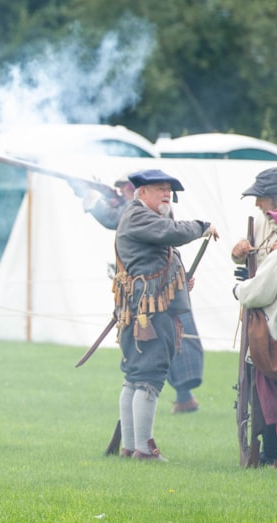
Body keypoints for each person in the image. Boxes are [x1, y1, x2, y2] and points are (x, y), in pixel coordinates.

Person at [77, 175, 204, 415]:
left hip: (161, 296)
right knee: (146, 371)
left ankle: (182, 398)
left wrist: (93, 201)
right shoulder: (138, 213)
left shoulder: (146, 213)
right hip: (151, 299)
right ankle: (144, 443)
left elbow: (164, 244)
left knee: (162, 359)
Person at [112, 169, 217, 460]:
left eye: (168, 190)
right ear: (141, 193)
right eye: (159, 189)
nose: (166, 194)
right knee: (149, 376)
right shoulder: (139, 216)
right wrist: (202, 226)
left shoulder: (145, 218)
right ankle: (144, 450)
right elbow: (171, 234)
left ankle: (131, 448)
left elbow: (156, 258)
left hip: (147, 308)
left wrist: (180, 277)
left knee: (137, 377)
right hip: (149, 312)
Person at [229, 167, 277, 467]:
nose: (257, 205)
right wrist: (240, 253)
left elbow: (261, 285)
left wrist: (239, 291)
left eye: (260, 198)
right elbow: (256, 263)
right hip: (273, 321)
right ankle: (274, 454)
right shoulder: (270, 226)